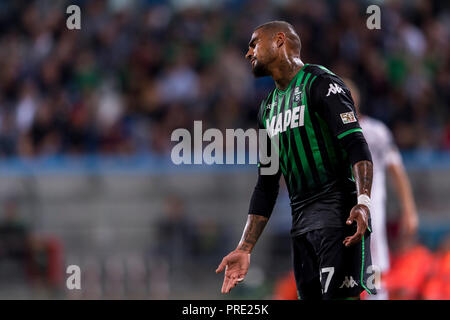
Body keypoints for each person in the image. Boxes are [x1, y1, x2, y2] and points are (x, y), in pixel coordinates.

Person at [216, 21, 376, 299]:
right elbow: (266, 183)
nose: (248, 52)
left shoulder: (321, 83)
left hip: (339, 218)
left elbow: (356, 145)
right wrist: (244, 247)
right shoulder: (267, 109)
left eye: (254, 43)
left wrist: (363, 203)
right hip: (301, 227)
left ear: (279, 40)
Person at [344, 78, 419, 299]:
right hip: (339, 210)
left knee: (373, 267)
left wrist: (409, 209)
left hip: (371, 208)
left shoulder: (376, 131)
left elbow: (397, 171)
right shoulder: (326, 135)